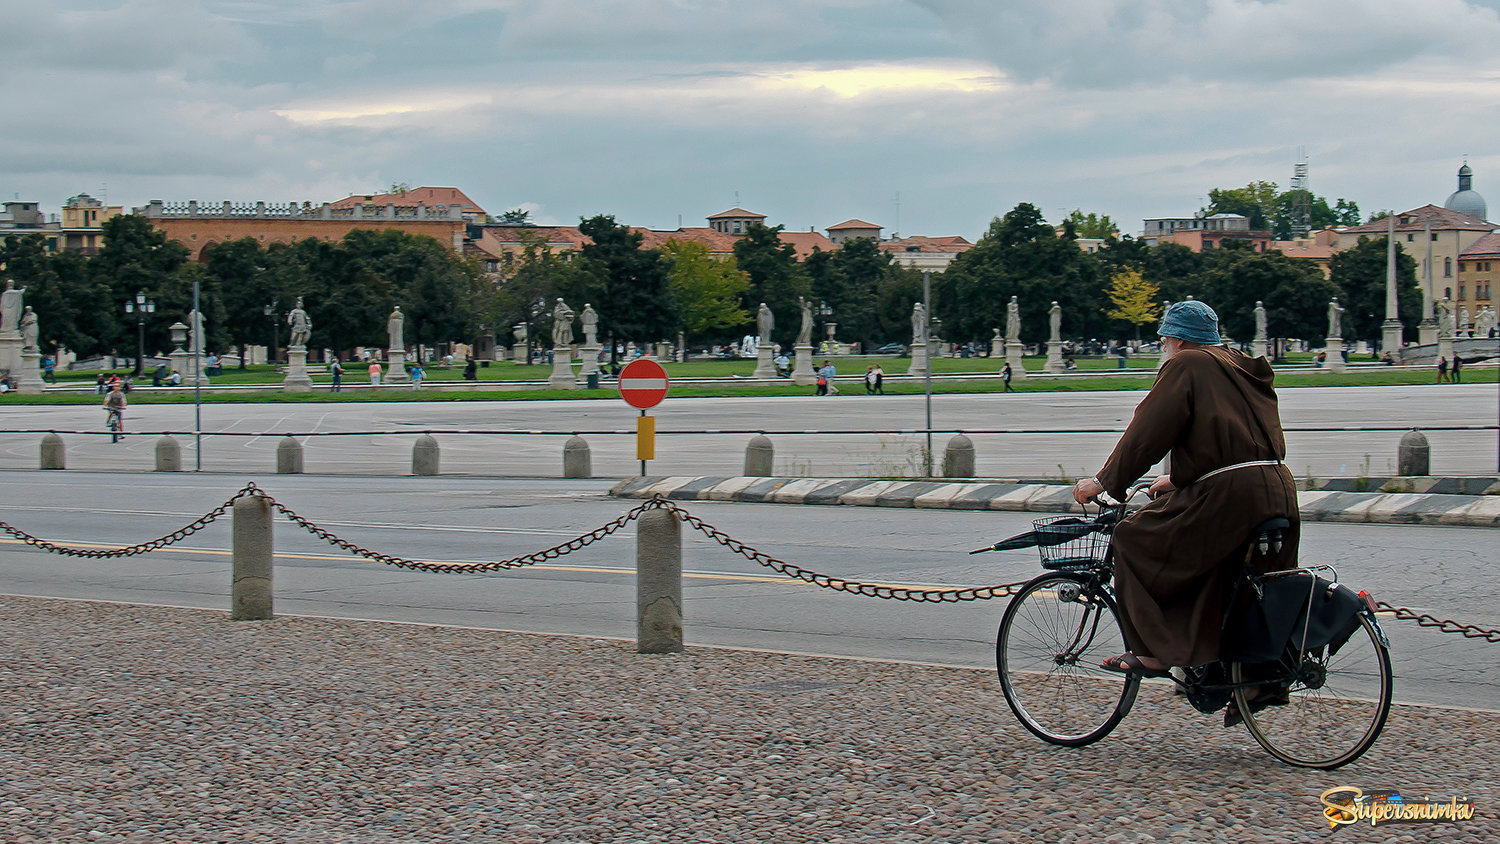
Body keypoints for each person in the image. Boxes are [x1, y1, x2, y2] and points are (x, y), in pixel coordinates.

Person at [1070, 300, 1298, 725]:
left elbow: (1147, 433)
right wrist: (1179, 479)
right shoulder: (1239, 364)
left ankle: (1154, 650)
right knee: (1243, 579)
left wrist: (1102, 482)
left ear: (1176, 338)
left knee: (1133, 538)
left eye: (1164, 337)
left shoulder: (1186, 366)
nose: (1162, 344)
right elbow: (1237, 436)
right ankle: (1257, 679)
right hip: (1276, 487)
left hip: (1231, 495)